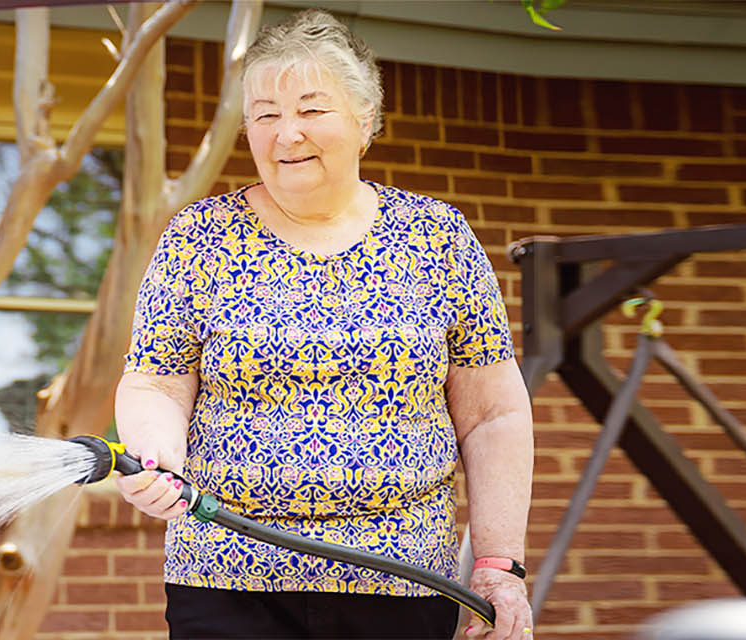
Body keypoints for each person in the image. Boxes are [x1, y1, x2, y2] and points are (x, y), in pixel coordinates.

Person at [113, 9, 536, 640]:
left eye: (311, 110)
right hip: (226, 581)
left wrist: (499, 565)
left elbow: (492, 414)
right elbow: (156, 381)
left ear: (365, 120)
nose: (286, 135)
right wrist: (157, 454)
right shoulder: (195, 238)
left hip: (400, 581)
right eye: (264, 114)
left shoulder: (437, 238)